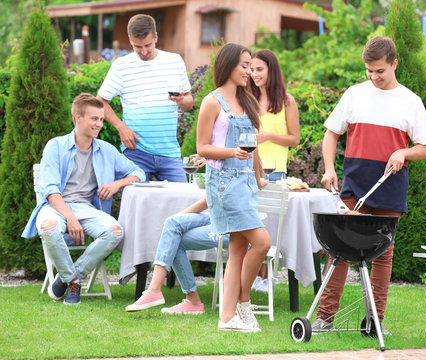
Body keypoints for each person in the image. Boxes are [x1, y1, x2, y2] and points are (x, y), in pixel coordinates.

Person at [314, 36, 426, 335]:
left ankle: (374, 323)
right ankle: (324, 318)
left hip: (390, 186)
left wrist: (403, 152)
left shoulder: (411, 101)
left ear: (394, 64)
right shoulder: (354, 94)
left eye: (379, 70)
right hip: (355, 184)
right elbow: (331, 134)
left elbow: (425, 148)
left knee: (382, 255)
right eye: (369, 70)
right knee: (340, 249)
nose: (373, 76)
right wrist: (329, 169)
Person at [21, 93, 145, 305]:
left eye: (101, 119)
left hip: (87, 209)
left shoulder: (106, 150)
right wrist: (69, 217)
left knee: (115, 232)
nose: (99, 124)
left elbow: (138, 172)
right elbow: (50, 190)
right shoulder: (55, 146)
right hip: (55, 207)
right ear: (77, 117)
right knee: (49, 228)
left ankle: (68, 278)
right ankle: (74, 281)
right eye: (94, 119)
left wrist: (117, 184)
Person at [197, 43, 271, 332]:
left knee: (239, 249)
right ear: (228, 65)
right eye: (244, 65)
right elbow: (202, 147)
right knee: (262, 242)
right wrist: (232, 153)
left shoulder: (248, 100)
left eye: (251, 66)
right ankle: (243, 302)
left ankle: (227, 318)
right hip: (224, 184)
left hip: (246, 183)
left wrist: (258, 174)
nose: (249, 71)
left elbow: (252, 147)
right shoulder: (212, 102)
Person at [97, 14, 194, 182]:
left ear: (155, 37)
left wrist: (182, 101)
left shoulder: (174, 61)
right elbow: (100, 101)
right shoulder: (121, 66)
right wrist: (121, 127)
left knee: (182, 202)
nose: (143, 52)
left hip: (169, 152)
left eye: (148, 45)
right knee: (136, 204)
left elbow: (189, 102)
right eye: (137, 47)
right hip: (136, 152)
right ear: (130, 40)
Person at [249, 49, 300, 292]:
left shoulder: (287, 101)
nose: (254, 74)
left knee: (268, 230)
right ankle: (258, 278)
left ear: (272, 70)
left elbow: (295, 139)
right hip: (249, 171)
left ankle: (266, 278)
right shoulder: (246, 98)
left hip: (275, 172)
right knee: (252, 225)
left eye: (260, 69)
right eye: (252, 69)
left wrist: (268, 135)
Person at [124, 195, 229, 314]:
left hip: (236, 228)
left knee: (173, 239)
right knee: (172, 226)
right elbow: (209, 199)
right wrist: (176, 219)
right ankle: (161, 293)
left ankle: (158, 292)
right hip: (218, 219)